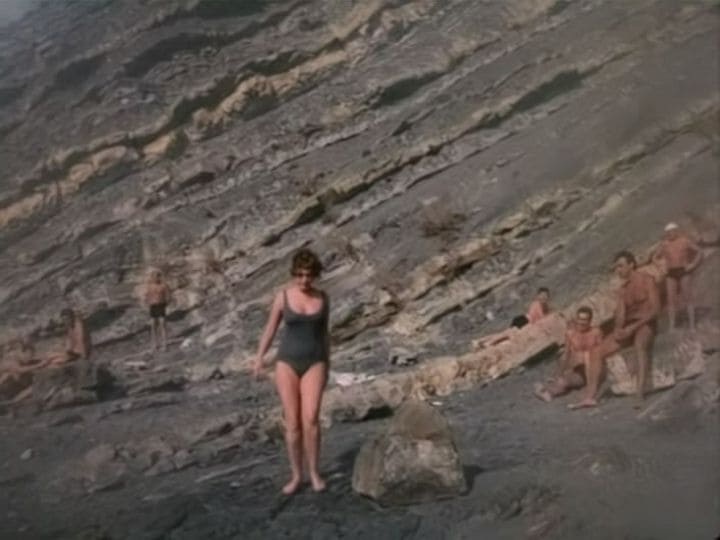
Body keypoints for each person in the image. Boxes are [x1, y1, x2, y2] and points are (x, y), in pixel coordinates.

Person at [253, 248, 330, 495]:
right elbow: (270, 329)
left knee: (312, 419)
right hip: (286, 363)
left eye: (308, 275)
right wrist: (259, 358)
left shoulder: (323, 298)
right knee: (293, 423)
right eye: (299, 275)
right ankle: (296, 475)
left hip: (315, 362)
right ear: (293, 274)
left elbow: (324, 334)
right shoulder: (283, 297)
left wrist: (327, 364)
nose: (303, 280)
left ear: (314, 274)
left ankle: (314, 472)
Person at [570, 251, 660, 409]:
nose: (618, 270)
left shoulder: (647, 280)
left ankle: (640, 393)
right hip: (629, 326)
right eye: (616, 267)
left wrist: (633, 328)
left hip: (646, 322)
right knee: (596, 351)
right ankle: (590, 396)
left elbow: (655, 310)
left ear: (631, 264)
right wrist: (618, 329)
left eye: (621, 266)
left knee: (640, 345)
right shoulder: (623, 289)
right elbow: (620, 314)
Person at [534, 306, 601, 402]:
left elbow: (600, 354)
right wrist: (558, 374)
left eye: (585, 320)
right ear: (576, 319)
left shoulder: (596, 333)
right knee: (562, 380)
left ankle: (547, 391)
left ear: (590, 321)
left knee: (565, 381)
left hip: (592, 369)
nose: (581, 322)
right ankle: (548, 390)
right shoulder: (571, 334)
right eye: (579, 319)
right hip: (578, 369)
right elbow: (566, 355)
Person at [652, 222, 702, 332]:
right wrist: (661, 268)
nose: (670, 234)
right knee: (671, 299)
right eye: (668, 232)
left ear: (676, 231)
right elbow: (655, 258)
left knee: (688, 297)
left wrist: (693, 264)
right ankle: (672, 326)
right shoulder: (664, 244)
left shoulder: (684, 241)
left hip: (683, 270)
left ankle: (692, 325)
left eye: (672, 231)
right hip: (671, 273)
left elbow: (699, 251)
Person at [145, 270, 171, 352]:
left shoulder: (164, 286)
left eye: (157, 276)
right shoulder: (150, 286)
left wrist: (165, 304)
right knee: (153, 325)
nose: (155, 278)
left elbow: (168, 296)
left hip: (161, 306)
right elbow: (147, 296)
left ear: (159, 277)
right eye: (154, 276)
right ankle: (154, 344)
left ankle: (164, 344)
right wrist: (148, 302)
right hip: (153, 306)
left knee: (162, 324)